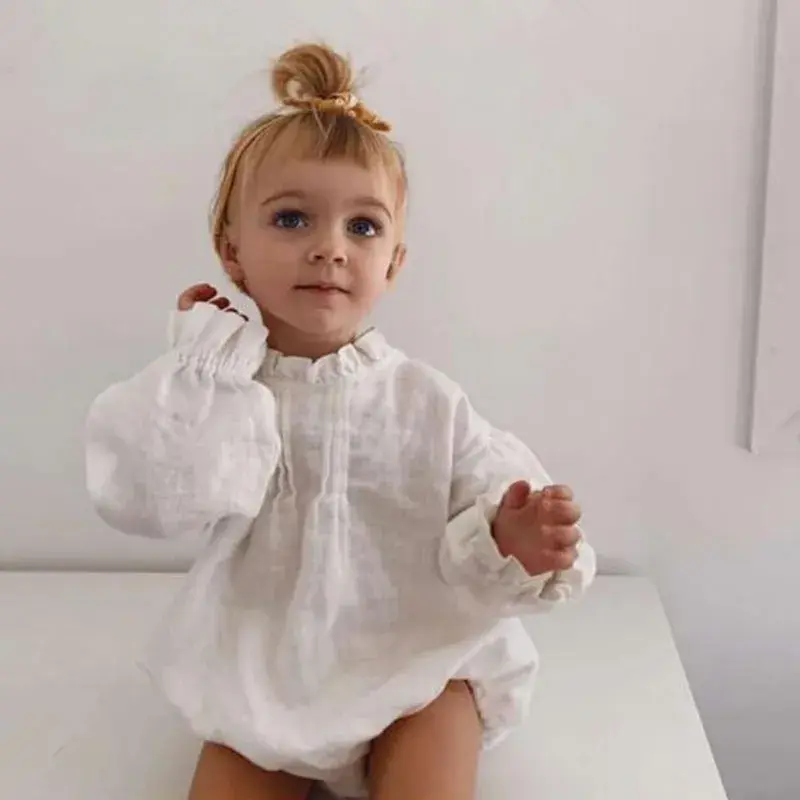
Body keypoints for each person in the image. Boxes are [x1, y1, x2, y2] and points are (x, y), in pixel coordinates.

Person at [85, 41, 596, 800]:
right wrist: (199, 372)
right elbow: (150, 499)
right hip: (269, 667)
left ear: (394, 262)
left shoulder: (427, 403)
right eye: (292, 219)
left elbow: (494, 501)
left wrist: (509, 538)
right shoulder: (228, 394)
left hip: (421, 656)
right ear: (232, 251)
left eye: (362, 227)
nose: (329, 249)